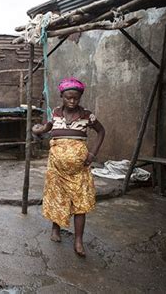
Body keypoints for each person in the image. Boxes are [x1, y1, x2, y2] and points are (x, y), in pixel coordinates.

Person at [32, 77, 105, 257]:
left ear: (80, 97)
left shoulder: (87, 115)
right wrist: (37, 129)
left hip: (79, 168)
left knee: (80, 202)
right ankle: (55, 229)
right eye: (68, 98)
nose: (72, 101)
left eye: (76, 98)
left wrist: (92, 154)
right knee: (57, 198)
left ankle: (78, 240)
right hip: (56, 168)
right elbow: (46, 128)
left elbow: (101, 132)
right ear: (61, 96)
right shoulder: (55, 113)